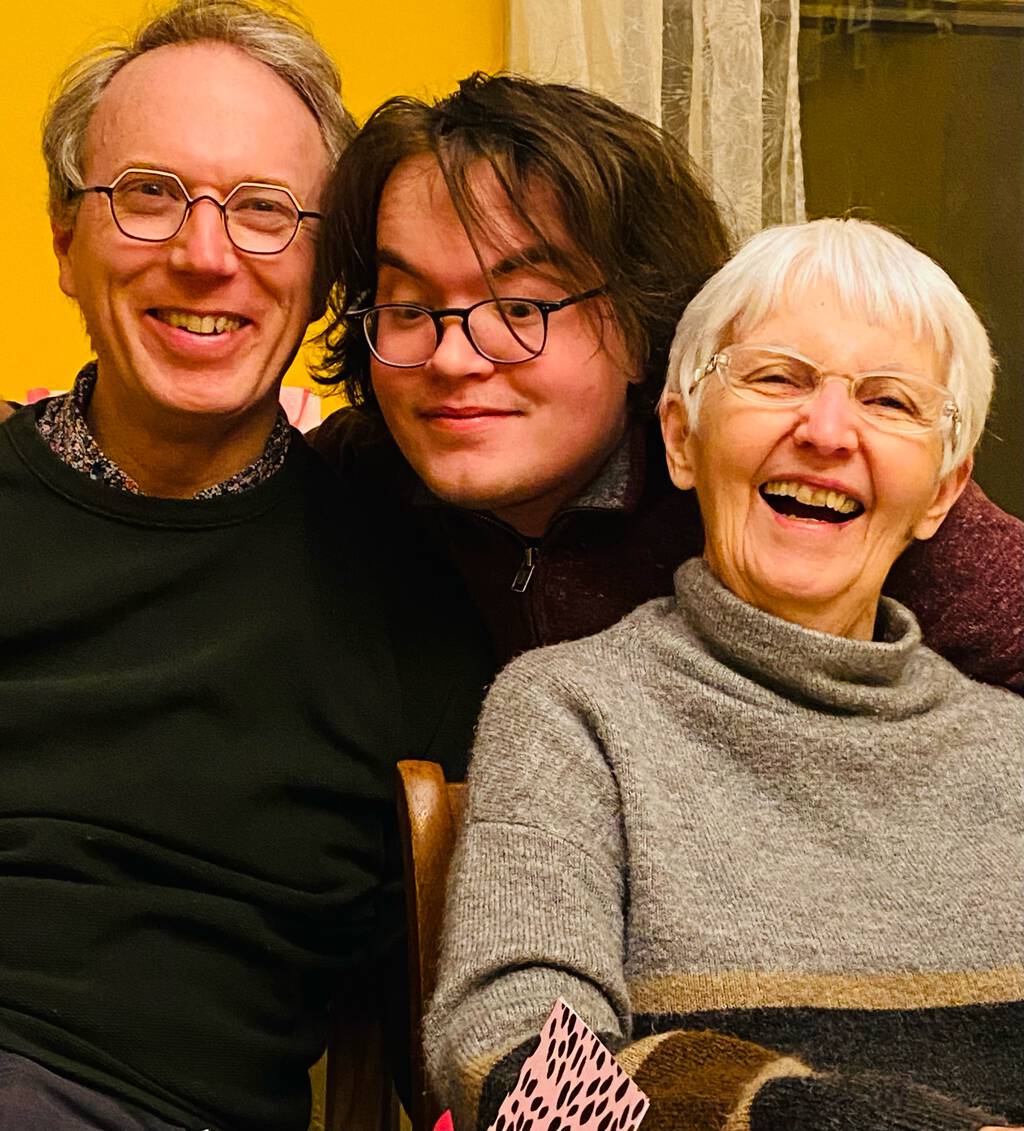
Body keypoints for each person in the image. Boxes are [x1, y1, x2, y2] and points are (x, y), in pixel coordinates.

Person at [425, 217, 1024, 1131]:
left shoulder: (1010, 746)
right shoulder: (573, 711)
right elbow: (513, 1053)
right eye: (776, 377)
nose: (826, 430)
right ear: (681, 437)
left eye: (891, 402)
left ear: (942, 490)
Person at [0, 3, 483, 1129]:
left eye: (265, 211)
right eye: (150, 195)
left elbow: (495, 980)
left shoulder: (407, 575)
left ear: (324, 270)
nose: (205, 254)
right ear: (64, 241)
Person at [313, 73, 1023, 711]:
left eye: (521, 308)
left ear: (639, 317)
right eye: (407, 308)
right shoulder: (357, 482)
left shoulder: (766, 476)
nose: (453, 357)